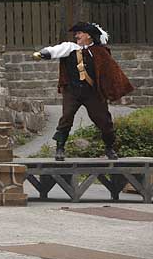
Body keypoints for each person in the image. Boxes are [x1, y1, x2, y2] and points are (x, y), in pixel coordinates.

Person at [35, 22, 134, 161]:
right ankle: (60, 148)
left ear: (88, 35)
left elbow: (112, 72)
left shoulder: (100, 52)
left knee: (104, 121)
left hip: (92, 93)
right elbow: (54, 50)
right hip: (72, 91)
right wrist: (42, 54)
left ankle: (109, 148)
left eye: (79, 33)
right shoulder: (69, 48)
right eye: (76, 33)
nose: (76, 36)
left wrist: (114, 89)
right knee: (66, 117)